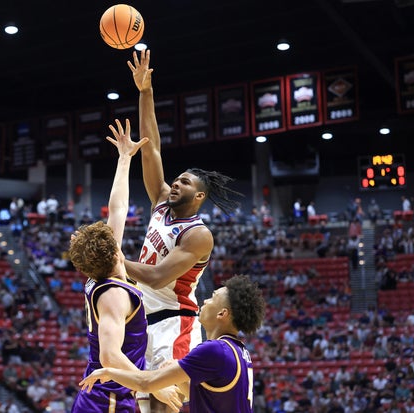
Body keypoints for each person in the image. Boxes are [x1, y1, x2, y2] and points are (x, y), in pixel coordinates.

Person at [125, 49, 241, 412]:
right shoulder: (161, 201)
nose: (174, 184)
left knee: (171, 406)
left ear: (199, 195)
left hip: (176, 325)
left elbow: (159, 277)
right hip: (144, 323)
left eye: (184, 182)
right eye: (175, 180)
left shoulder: (198, 234)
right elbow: (152, 149)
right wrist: (145, 92)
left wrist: (112, 259)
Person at [68, 119, 180, 413]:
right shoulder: (115, 296)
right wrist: (154, 382)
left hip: (108, 399)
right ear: (116, 254)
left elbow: (117, 208)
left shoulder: (101, 274)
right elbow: (109, 356)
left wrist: (124, 158)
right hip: (107, 403)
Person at [80, 274, 266, 413]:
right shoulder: (239, 351)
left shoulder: (215, 350)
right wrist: (181, 379)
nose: (205, 301)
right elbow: (209, 399)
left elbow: (146, 383)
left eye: (212, 298)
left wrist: (109, 371)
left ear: (222, 314)